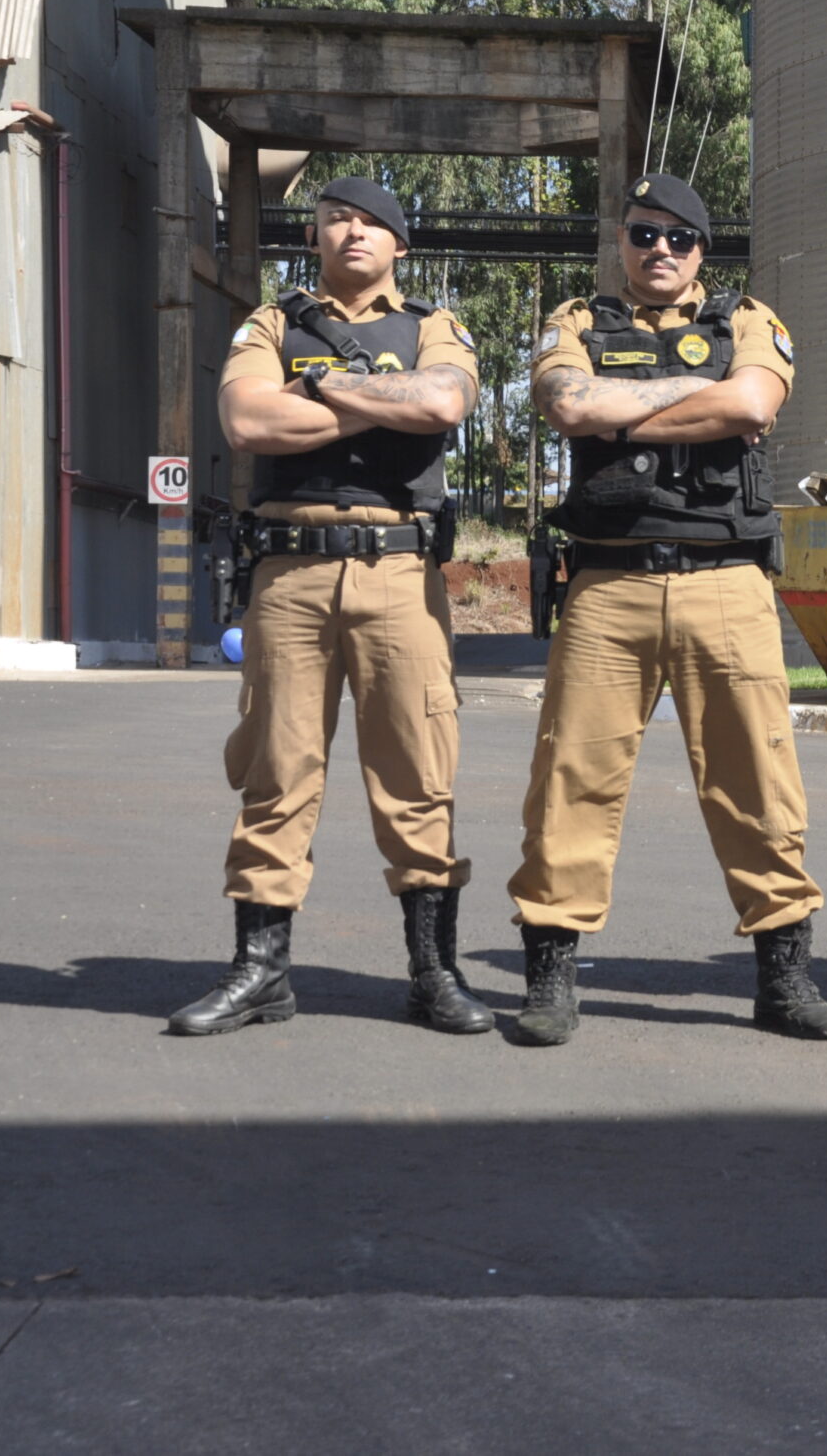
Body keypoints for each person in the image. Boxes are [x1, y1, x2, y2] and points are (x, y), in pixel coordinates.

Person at [505, 173, 827, 1044]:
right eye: (644, 233)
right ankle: (550, 977)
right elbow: (567, 404)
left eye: (679, 237)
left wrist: (618, 415)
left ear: (702, 250)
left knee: (759, 780)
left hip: (724, 580)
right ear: (622, 240)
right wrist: (693, 399)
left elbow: (753, 400)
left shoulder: (748, 320)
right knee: (570, 779)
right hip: (606, 585)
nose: (660, 249)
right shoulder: (576, 321)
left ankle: (784, 976)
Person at [171, 176, 489, 1036]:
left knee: (418, 775)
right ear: (313, 237)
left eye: (370, 222)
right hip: (290, 576)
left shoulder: (433, 326)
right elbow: (246, 423)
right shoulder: (272, 324)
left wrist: (310, 394)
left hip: (399, 575)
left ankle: (434, 973)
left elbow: (443, 401)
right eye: (335, 219)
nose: (352, 232)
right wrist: (378, 402)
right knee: (275, 772)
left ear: (400, 244)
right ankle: (260, 972)